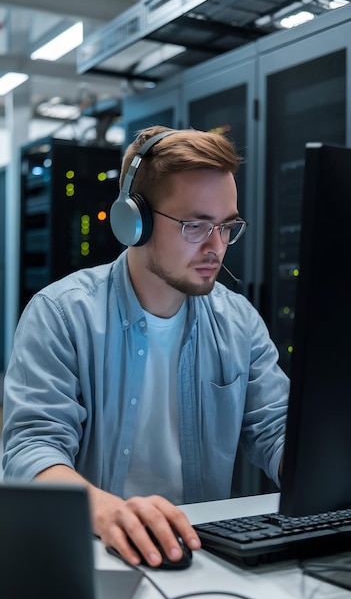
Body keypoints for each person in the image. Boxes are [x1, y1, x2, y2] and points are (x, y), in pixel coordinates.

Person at [2, 125, 289, 568]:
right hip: (95, 554)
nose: (217, 247)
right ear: (134, 221)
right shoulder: (61, 314)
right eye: (196, 225)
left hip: (198, 558)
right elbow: (31, 450)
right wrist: (109, 511)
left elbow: (275, 429)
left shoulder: (239, 321)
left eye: (227, 226)